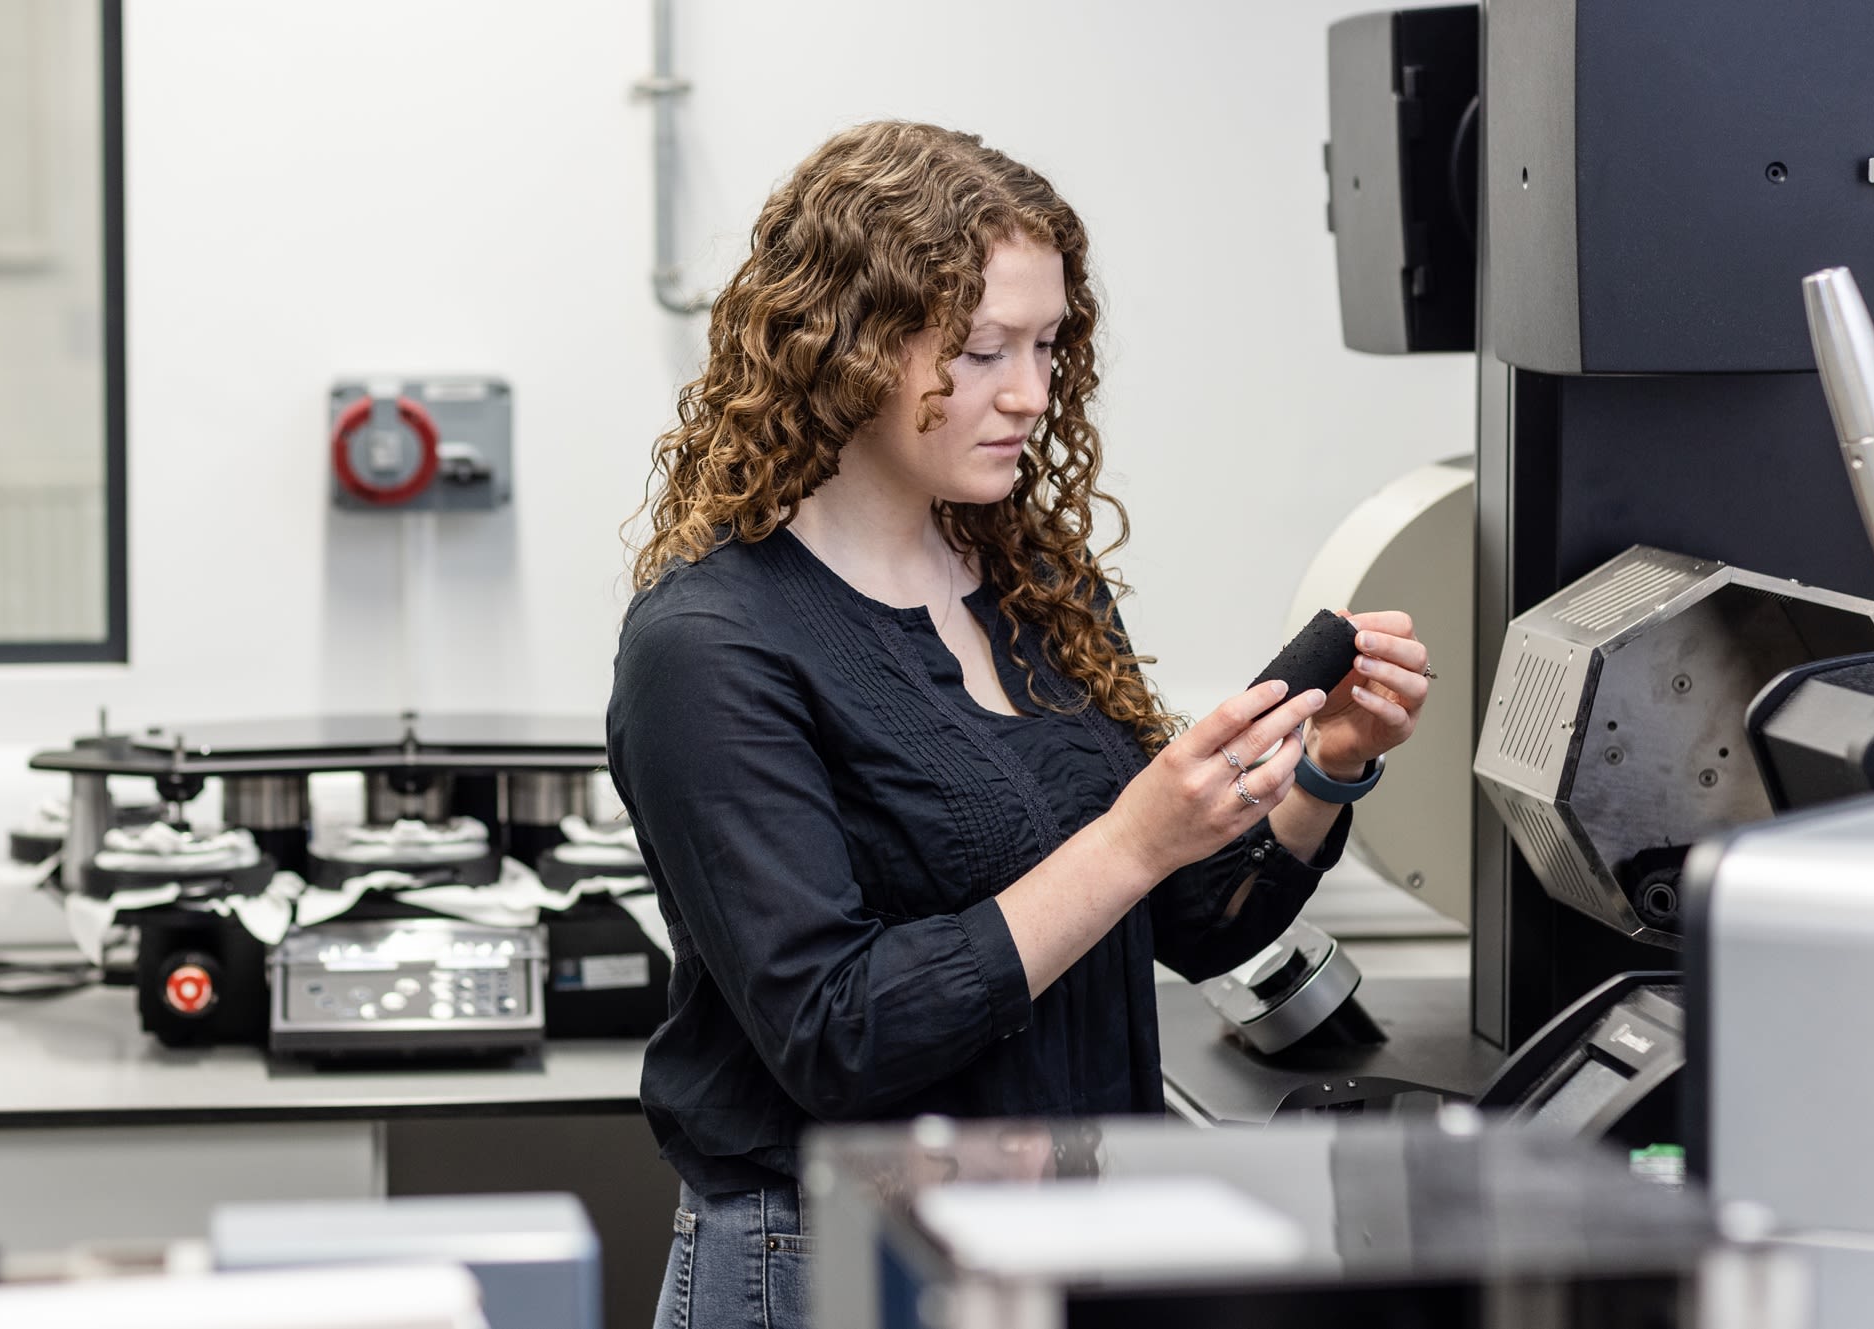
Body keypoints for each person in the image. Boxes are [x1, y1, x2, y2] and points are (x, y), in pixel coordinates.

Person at [607, 122, 1432, 1329]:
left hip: (1067, 1240)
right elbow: (836, 1032)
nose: (1031, 394)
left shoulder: (1032, 582)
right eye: (982, 349)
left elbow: (1197, 925)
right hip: (835, 1264)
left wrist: (1324, 766)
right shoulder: (713, 644)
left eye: (1048, 345)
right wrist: (1131, 840)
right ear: (842, 347)